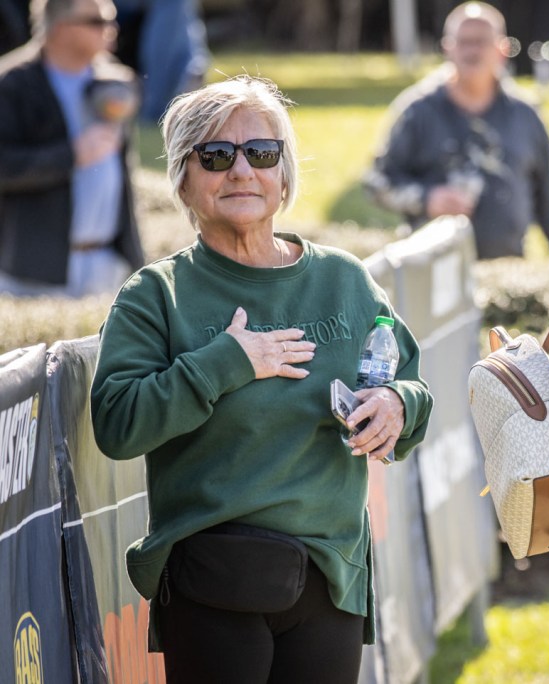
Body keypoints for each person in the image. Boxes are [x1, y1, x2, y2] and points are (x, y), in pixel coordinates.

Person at [90, 75, 433, 683]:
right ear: (183, 178)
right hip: (212, 579)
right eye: (216, 156)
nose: (242, 171)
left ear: (284, 173)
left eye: (262, 153)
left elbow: (410, 385)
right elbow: (117, 424)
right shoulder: (156, 294)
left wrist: (397, 405)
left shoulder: (344, 280)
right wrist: (225, 362)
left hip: (331, 576)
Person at [363, 1, 549, 259]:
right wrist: (427, 199)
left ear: (503, 49)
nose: (472, 51)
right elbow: (376, 183)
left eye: (481, 41)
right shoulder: (418, 111)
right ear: (447, 48)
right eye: (463, 42)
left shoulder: (525, 115)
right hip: (431, 268)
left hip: (506, 268)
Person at [0, 0, 144, 296]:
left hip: (108, 265)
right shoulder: (12, 84)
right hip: (34, 273)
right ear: (61, 27)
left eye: (111, 20)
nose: (111, 29)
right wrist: (70, 155)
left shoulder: (115, 80)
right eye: (97, 21)